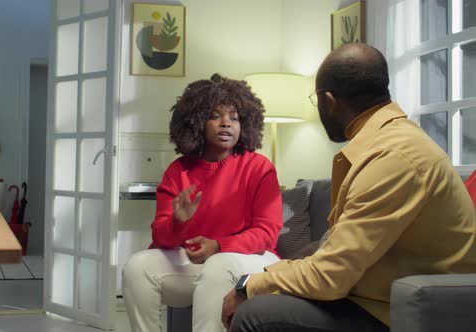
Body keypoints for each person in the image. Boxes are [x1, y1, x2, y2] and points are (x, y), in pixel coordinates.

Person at [222, 43, 476, 332]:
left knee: (256, 313)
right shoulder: (388, 143)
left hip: (408, 313)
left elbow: (330, 277)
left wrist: (248, 285)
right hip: (377, 298)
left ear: (329, 100)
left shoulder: (393, 158)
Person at [122, 74, 283, 332]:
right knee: (137, 267)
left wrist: (219, 245)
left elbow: (267, 233)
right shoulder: (178, 172)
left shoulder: (259, 167)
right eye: (215, 116)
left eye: (234, 117)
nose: (226, 124)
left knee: (219, 265)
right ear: (196, 122)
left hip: (251, 264)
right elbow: (161, 238)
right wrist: (178, 221)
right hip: (200, 267)